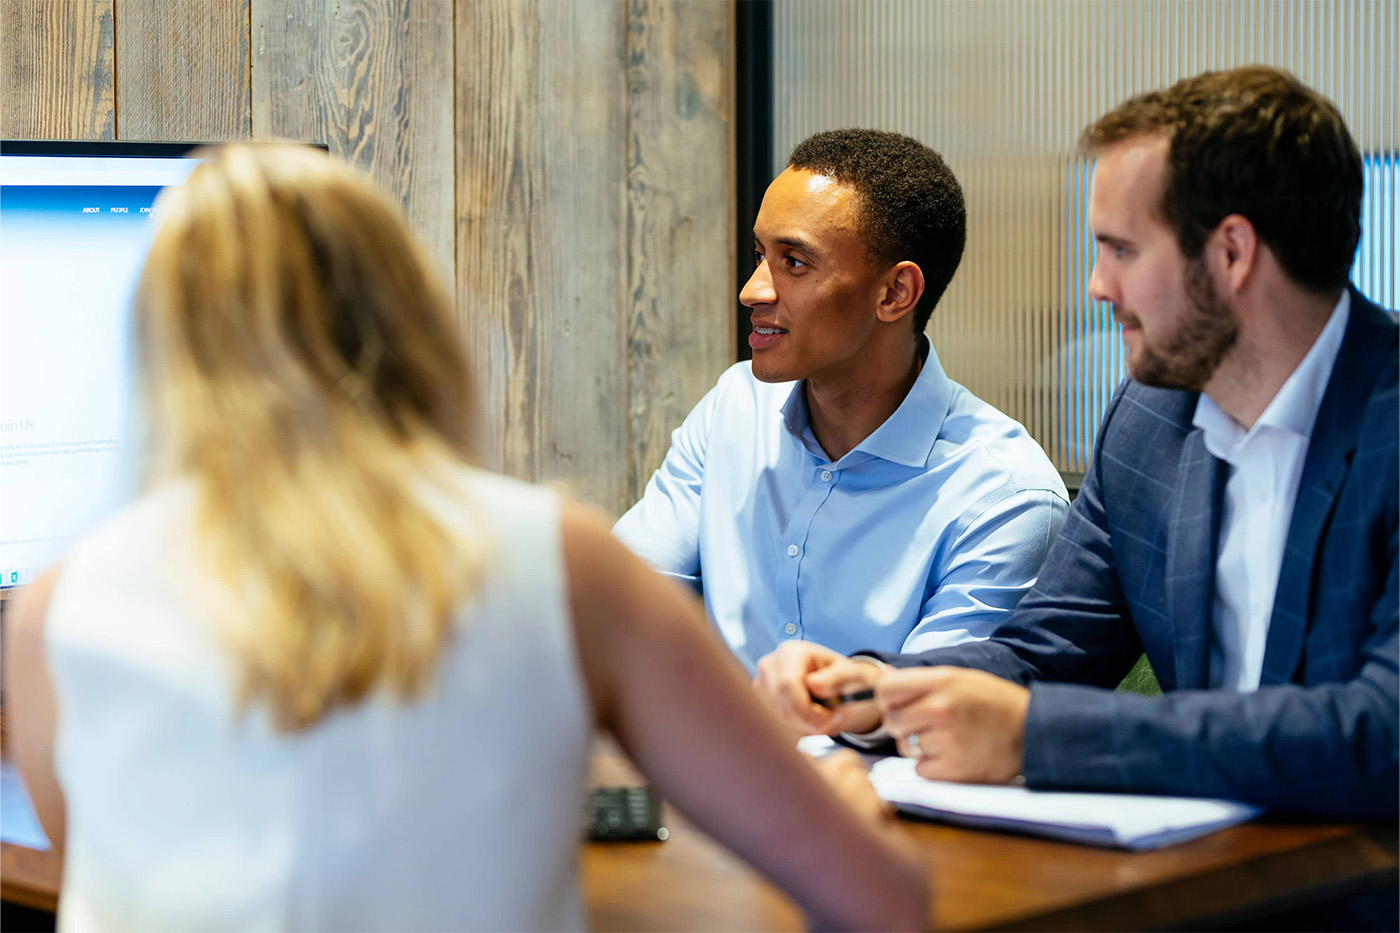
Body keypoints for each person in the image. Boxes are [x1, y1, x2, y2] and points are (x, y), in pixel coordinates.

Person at [4, 143, 929, 931]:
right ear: (414, 320)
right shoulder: (558, 566)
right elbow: (883, 902)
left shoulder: (53, 614)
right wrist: (839, 808)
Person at [754, 66, 1398, 817]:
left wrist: (1037, 738)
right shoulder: (1150, 418)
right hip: (1202, 880)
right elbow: (1042, 651)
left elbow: (1380, 733)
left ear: (1231, 254)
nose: (1098, 285)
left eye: (1121, 250)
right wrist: (873, 689)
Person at [614, 129, 1069, 671]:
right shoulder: (734, 407)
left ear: (895, 293)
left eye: (795, 263)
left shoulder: (1004, 498)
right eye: (760, 254)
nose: (753, 290)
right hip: (707, 750)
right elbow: (622, 605)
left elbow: (926, 724)